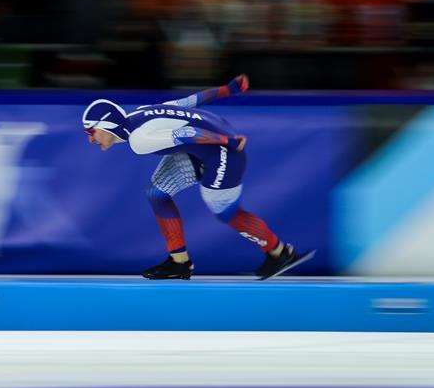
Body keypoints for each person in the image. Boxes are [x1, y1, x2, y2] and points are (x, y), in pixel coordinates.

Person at [82, 74, 314, 280]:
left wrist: (229, 142)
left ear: (107, 124)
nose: (90, 139)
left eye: (91, 131)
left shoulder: (139, 140)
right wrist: (228, 89)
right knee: (157, 193)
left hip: (221, 150)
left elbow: (188, 133)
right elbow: (190, 102)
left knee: (225, 211)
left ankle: (280, 253)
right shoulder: (140, 112)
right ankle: (179, 262)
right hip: (207, 143)